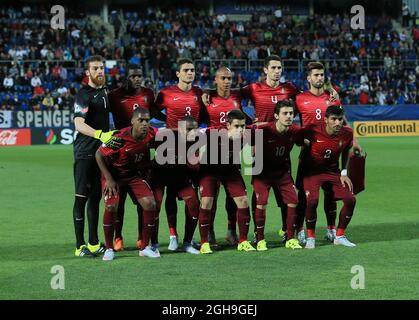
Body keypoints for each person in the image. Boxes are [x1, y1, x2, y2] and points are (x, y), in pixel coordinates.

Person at [108, 64, 164, 251]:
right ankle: (118, 237)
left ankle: (142, 237)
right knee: (119, 202)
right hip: (119, 153)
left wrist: (172, 121)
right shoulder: (114, 95)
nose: (137, 79)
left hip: (141, 154)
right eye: (133, 76)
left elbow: (155, 113)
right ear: (126, 77)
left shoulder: (148, 93)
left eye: (140, 75)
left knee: (143, 201)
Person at [72, 55, 122, 257]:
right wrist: (100, 134)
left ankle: (93, 242)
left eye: (102, 68)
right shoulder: (84, 94)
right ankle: (79, 246)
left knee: (94, 199)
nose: (100, 71)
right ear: (88, 72)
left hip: (100, 154)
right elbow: (78, 123)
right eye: (95, 68)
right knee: (81, 199)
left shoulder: (104, 92)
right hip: (85, 152)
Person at [95, 107, 160, 260]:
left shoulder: (151, 133)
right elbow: (98, 154)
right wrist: (109, 179)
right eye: (141, 120)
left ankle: (144, 247)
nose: (144, 124)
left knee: (150, 203)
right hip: (114, 176)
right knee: (111, 206)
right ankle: (109, 248)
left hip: (133, 176)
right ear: (132, 121)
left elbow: (166, 137)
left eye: (147, 120)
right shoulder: (120, 137)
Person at [155, 58, 205, 251]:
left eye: (192, 70)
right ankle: (173, 235)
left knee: (191, 193)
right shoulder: (166, 93)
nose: (189, 73)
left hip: (192, 146)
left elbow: (204, 115)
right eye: (185, 70)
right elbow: (153, 111)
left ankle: (188, 238)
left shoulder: (199, 93)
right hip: (169, 145)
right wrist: (169, 121)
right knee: (169, 192)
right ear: (178, 74)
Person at [198, 110, 255, 254]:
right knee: (207, 202)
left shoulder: (247, 135)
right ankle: (204, 243)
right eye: (237, 126)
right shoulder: (213, 132)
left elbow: (264, 131)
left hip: (230, 169)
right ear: (227, 125)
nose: (241, 130)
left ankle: (243, 241)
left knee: (242, 200)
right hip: (210, 169)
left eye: (243, 126)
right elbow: (192, 134)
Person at [301, 105, 356, 249]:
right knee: (312, 201)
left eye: (340, 119)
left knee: (350, 199)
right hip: (312, 173)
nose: (337, 123)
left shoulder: (347, 133)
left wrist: (344, 172)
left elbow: (346, 151)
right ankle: (311, 237)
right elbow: (295, 138)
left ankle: (339, 236)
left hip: (333, 172)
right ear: (326, 120)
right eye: (333, 119)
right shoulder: (312, 130)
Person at [252, 99, 303, 250]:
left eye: (291, 113)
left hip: (282, 172)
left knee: (293, 200)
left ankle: (290, 238)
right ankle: (260, 239)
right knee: (261, 203)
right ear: (276, 116)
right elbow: (243, 132)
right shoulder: (263, 130)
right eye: (285, 113)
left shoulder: (295, 130)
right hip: (262, 172)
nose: (288, 116)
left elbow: (306, 140)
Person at [152, 116, 201, 254]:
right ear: (179, 129)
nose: (192, 132)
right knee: (155, 204)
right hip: (160, 175)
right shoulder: (165, 136)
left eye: (195, 129)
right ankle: (155, 243)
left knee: (193, 203)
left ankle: (187, 242)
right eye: (189, 129)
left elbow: (195, 164)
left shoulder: (196, 139)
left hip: (179, 174)